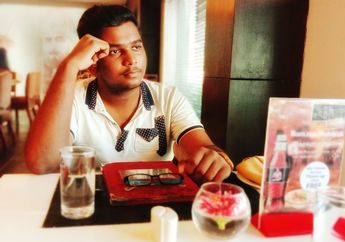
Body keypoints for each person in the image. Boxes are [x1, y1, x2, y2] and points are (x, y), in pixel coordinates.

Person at [25, 5, 233, 183]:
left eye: (136, 46)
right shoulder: (73, 98)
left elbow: (204, 146)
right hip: (91, 204)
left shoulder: (168, 98)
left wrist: (215, 159)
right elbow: (42, 163)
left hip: (154, 207)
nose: (131, 59)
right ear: (92, 63)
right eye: (115, 51)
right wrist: (69, 66)